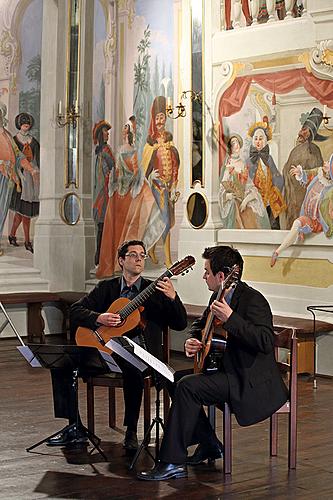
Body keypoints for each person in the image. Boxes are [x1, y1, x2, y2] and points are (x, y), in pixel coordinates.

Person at [138, 245, 288, 481]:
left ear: (222, 276)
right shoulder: (217, 296)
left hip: (247, 380)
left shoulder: (252, 300)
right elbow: (200, 325)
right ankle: (208, 443)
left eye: (207, 271)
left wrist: (231, 319)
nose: (203, 276)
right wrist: (193, 340)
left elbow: (266, 341)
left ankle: (172, 462)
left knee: (188, 386)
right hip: (225, 370)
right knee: (175, 378)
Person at [48, 239, 187, 450]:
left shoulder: (155, 291)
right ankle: (74, 426)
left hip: (140, 355)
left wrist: (173, 298)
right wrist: (99, 318)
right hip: (103, 352)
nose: (139, 258)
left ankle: (131, 430)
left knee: (132, 366)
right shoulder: (107, 288)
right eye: (133, 255)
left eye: (143, 255)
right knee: (61, 364)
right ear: (121, 260)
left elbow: (180, 323)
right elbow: (75, 311)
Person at [96, 117, 164, 278]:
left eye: (126, 129)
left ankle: (123, 260)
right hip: (122, 190)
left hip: (126, 189)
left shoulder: (130, 150)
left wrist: (136, 178)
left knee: (130, 222)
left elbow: (133, 170)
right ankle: (118, 261)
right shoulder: (120, 150)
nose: (124, 132)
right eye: (124, 129)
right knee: (119, 225)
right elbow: (124, 169)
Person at [271, 153, 333, 267]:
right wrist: (300, 173)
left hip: (317, 222)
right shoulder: (319, 173)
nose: (325, 162)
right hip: (307, 215)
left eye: (329, 163)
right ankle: (277, 252)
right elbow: (308, 174)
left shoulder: (331, 188)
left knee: (298, 224)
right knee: (297, 223)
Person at [142, 96, 180, 268]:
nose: (160, 121)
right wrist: (151, 177)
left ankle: (152, 249)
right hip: (156, 188)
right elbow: (145, 169)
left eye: (162, 117)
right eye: (157, 118)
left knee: (164, 219)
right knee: (163, 219)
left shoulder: (170, 141)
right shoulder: (150, 143)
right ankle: (167, 258)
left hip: (168, 187)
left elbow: (175, 163)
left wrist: (174, 184)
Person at [0, 103, 37, 256]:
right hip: (2, 173)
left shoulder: (7, 134)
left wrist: (31, 169)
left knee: (2, 210)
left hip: (9, 178)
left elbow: (18, 155)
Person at [282, 107, 327, 229]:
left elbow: (319, 173)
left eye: (305, 130)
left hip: (306, 194)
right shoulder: (297, 150)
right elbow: (288, 168)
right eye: (302, 129)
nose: (300, 133)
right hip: (293, 193)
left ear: (311, 133)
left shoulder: (314, 151)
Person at [218, 133, 270, 229]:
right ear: (230, 147)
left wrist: (246, 200)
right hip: (233, 201)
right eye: (233, 143)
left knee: (251, 210)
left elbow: (250, 186)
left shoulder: (242, 163)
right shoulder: (227, 164)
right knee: (236, 210)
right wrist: (227, 196)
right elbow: (222, 187)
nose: (236, 145)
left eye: (237, 142)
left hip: (243, 197)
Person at [246, 117, 286, 229]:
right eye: (256, 139)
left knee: (274, 224)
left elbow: (276, 175)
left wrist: (276, 190)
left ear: (265, 141)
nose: (258, 142)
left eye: (261, 138)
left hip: (270, 199)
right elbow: (247, 181)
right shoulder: (249, 161)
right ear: (253, 141)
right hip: (256, 200)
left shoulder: (269, 158)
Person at [8, 113, 40, 253]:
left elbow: (38, 161)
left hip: (31, 180)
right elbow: (12, 160)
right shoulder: (13, 140)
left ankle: (12, 235)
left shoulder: (34, 142)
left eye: (27, 123)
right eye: (23, 123)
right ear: (19, 124)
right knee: (23, 212)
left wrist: (35, 172)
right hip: (19, 180)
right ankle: (27, 241)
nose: (25, 125)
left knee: (22, 213)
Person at [92, 120, 115, 266]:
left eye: (108, 132)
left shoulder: (106, 150)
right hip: (101, 192)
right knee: (100, 223)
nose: (107, 134)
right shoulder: (101, 150)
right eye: (105, 132)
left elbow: (113, 168)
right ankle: (98, 255)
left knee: (103, 224)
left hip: (106, 191)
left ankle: (101, 256)